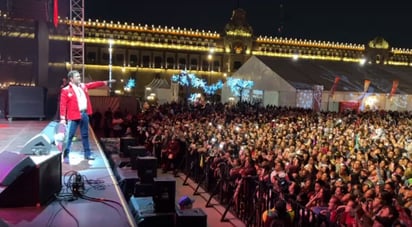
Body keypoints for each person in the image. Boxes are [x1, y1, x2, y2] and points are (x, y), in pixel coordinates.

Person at [59, 70, 115, 163]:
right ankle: (66, 155)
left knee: (85, 135)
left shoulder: (83, 86)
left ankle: (87, 154)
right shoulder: (65, 90)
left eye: (79, 76)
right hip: (73, 116)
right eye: (77, 76)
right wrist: (62, 119)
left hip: (84, 114)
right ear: (71, 79)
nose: (79, 78)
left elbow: (93, 84)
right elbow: (63, 105)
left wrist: (105, 82)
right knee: (69, 136)